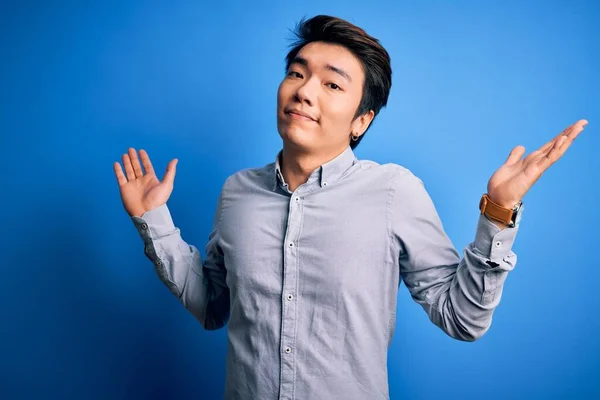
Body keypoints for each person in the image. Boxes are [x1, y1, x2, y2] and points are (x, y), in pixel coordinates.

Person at [113, 15, 587, 400]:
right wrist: (153, 222)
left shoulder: (393, 191)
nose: (304, 91)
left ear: (362, 120)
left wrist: (499, 212)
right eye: (297, 73)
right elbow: (215, 307)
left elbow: (462, 317)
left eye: (332, 85)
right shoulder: (237, 192)